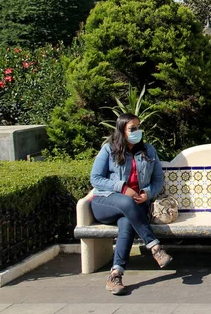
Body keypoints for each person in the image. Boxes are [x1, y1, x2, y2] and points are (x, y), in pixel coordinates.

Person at [90, 113, 172, 295]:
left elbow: (158, 179)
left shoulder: (149, 151)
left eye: (138, 127)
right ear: (121, 130)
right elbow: (95, 179)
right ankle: (155, 247)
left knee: (127, 224)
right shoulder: (108, 150)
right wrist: (122, 187)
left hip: (135, 205)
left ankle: (116, 274)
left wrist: (147, 193)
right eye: (132, 129)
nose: (137, 131)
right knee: (127, 201)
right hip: (105, 202)